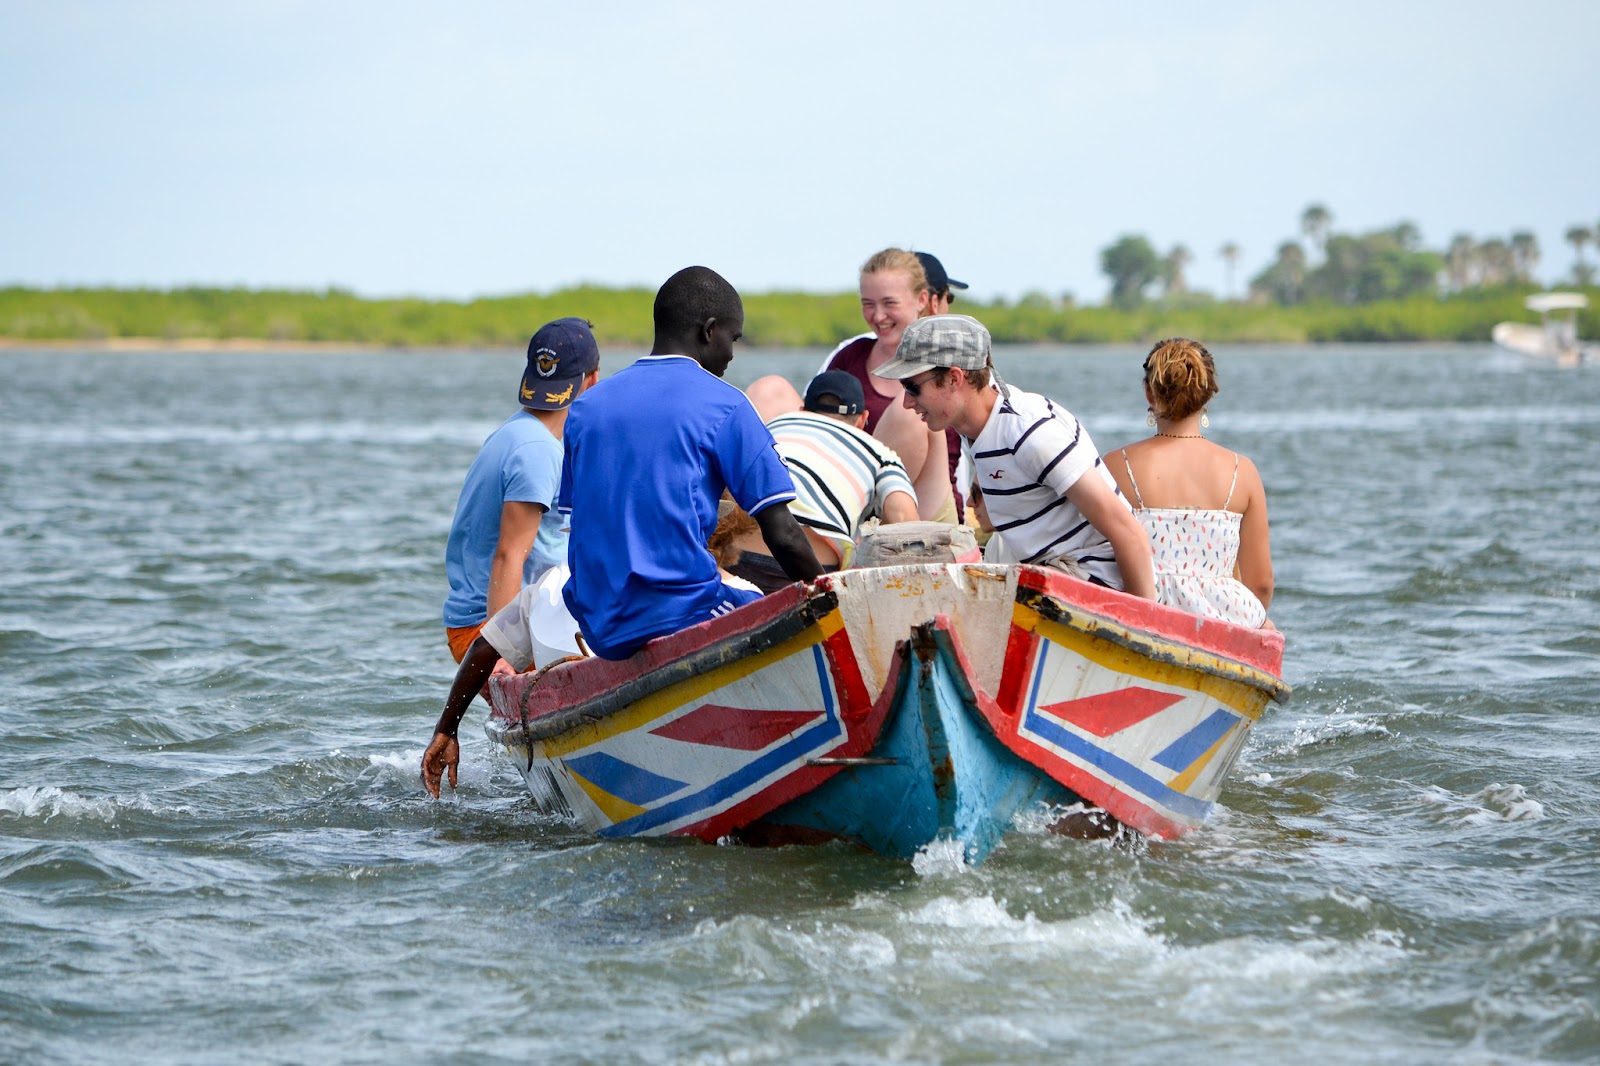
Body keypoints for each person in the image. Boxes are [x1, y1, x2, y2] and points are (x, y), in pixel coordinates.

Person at [557, 266, 823, 661]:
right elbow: (782, 530)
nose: (732, 353)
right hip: (679, 613)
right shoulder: (726, 404)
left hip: (598, 625)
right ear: (709, 330)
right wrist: (830, 594)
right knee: (761, 600)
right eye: (732, 338)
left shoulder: (585, 409)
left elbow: (580, 522)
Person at [874, 314, 1156, 598]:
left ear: (954, 378)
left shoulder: (1030, 434)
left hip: (1092, 586)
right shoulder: (977, 429)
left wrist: (1145, 631)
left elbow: (1128, 534)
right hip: (1049, 576)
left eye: (912, 387)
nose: (907, 401)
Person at [748, 249, 960, 523]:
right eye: (868, 303)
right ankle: (761, 515)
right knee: (770, 390)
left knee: (909, 412)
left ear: (921, 299)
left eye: (889, 303)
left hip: (916, 508)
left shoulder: (946, 366)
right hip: (844, 495)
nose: (878, 316)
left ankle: (837, 524)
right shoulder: (851, 355)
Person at [441, 317, 600, 663]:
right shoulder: (537, 450)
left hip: (505, 620)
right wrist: (501, 658)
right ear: (592, 381)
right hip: (485, 630)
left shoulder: (518, 430)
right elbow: (508, 555)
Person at [1107, 338, 1273, 627]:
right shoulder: (1241, 471)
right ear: (1208, 395)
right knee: (1266, 626)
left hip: (1145, 614)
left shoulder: (1114, 465)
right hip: (1222, 620)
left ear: (1149, 393)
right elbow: (1261, 585)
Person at [725, 370, 920, 591]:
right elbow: (904, 520)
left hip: (736, 555)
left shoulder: (777, 424)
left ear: (803, 410)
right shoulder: (880, 453)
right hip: (812, 568)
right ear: (863, 419)